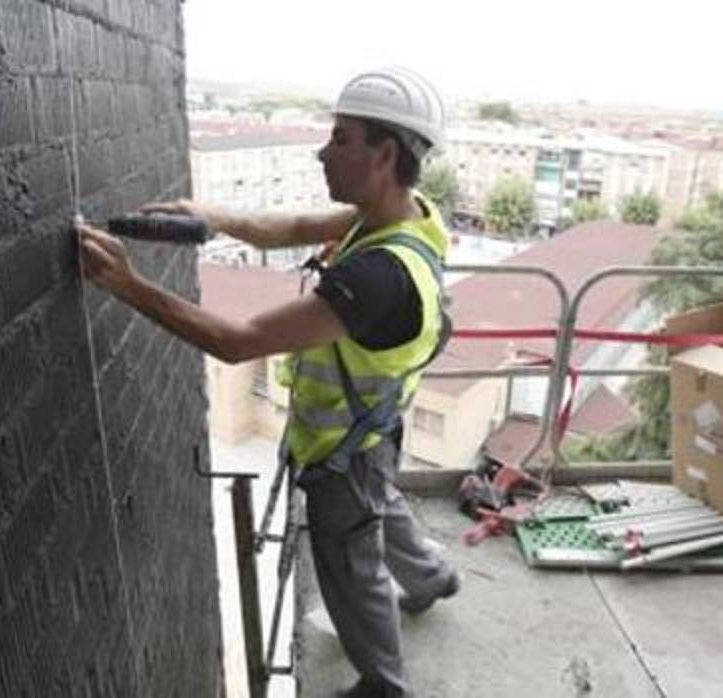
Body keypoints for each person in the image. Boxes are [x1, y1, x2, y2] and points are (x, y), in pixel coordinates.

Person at [77, 66, 459, 698]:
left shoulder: (374, 278)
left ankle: (384, 684)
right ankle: (433, 578)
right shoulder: (406, 216)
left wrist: (127, 285)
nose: (322, 151)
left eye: (341, 139)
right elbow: (284, 229)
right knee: (381, 508)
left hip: (343, 450)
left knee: (350, 567)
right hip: (376, 430)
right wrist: (209, 215)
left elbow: (237, 342)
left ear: (385, 154)